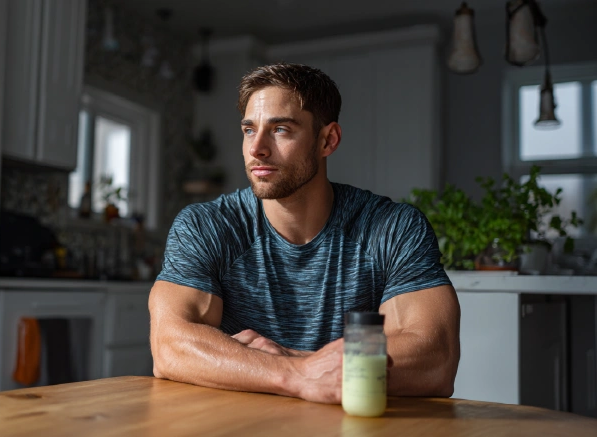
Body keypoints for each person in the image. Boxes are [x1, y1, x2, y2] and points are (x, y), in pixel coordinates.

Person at [148, 63, 460, 404]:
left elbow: (435, 359)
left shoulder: (394, 228)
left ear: (328, 140)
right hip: (238, 421)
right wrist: (299, 374)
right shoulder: (205, 226)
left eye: (281, 129)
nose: (257, 149)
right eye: (249, 130)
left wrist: (294, 362)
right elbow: (170, 347)